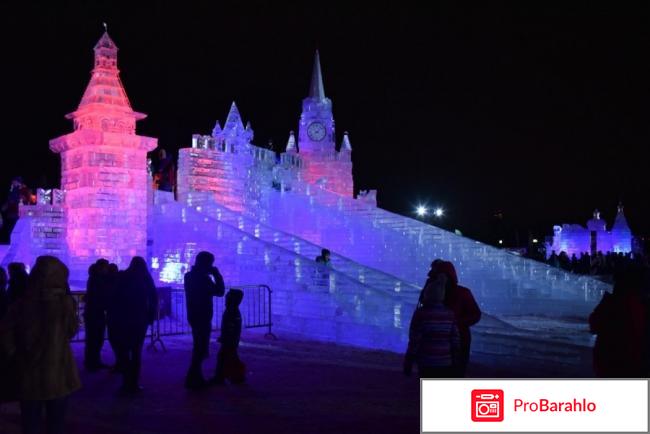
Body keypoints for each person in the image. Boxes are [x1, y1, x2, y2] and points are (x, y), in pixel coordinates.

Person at [0, 255, 81, 434]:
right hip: (58, 373)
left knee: (30, 423)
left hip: (29, 373)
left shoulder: (21, 303)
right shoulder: (64, 304)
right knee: (56, 423)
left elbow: (6, 335)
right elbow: (71, 331)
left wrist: (17, 355)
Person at [419, 260, 481, 377]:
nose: (430, 275)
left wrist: (456, 323)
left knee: (455, 372)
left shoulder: (462, 293)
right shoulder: (432, 292)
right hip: (444, 344)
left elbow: (475, 314)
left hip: (456, 340)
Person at [108, 257, 157, 393]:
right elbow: (153, 298)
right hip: (139, 319)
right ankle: (133, 383)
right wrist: (150, 317)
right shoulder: (146, 279)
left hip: (121, 319)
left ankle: (126, 381)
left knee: (123, 350)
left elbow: (113, 296)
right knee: (136, 352)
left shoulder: (122, 277)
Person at [589, 265, 646, 377]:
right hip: (628, 363)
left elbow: (594, 324)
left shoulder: (612, 303)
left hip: (612, 362)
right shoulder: (639, 304)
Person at [404, 272, 460, 378]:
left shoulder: (421, 313)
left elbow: (415, 339)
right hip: (445, 361)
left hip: (426, 360)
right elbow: (455, 339)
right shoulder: (449, 314)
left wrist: (409, 358)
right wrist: (455, 359)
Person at [184, 251, 225, 389]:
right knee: (201, 347)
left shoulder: (189, 276)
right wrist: (216, 275)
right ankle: (193, 378)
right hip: (202, 315)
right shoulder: (203, 278)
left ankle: (194, 376)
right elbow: (220, 291)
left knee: (199, 346)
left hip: (194, 314)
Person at [212, 289, 245, 385]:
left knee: (224, 357)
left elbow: (230, 327)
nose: (225, 300)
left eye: (227, 298)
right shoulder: (232, 310)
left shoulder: (232, 311)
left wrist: (225, 337)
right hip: (231, 340)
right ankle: (235, 377)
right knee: (230, 357)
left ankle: (221, 378)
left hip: (230, 340)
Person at [83, 259, 111, 372]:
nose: (107, 270)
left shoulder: (94, 277)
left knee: (94, 338)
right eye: (106, 267)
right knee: (95, 338)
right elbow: (99, 296)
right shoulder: (97, 279)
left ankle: (93, 361)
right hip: (95, 312)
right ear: (101, 267)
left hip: (93, 312)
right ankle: (92, 362)